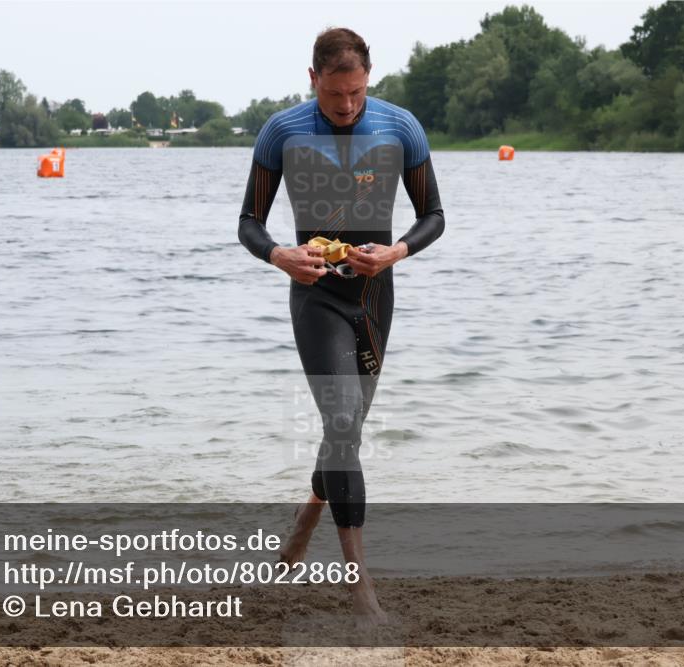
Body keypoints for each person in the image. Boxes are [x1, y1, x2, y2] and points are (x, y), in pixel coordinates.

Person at [237, 27, 444, 626]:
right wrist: (280, 255)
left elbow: (433, 215)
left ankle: (306, 518)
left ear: (368, 78)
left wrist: (396, 251)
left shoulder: (402, 127)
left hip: (375, 295)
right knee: (345, 420)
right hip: (316, 295)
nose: (347, 105)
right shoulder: (282, 131)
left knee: (345, 431)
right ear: (313, 80)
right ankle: (361, 589)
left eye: (356, 92)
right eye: (334, 95)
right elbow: (249, 222)